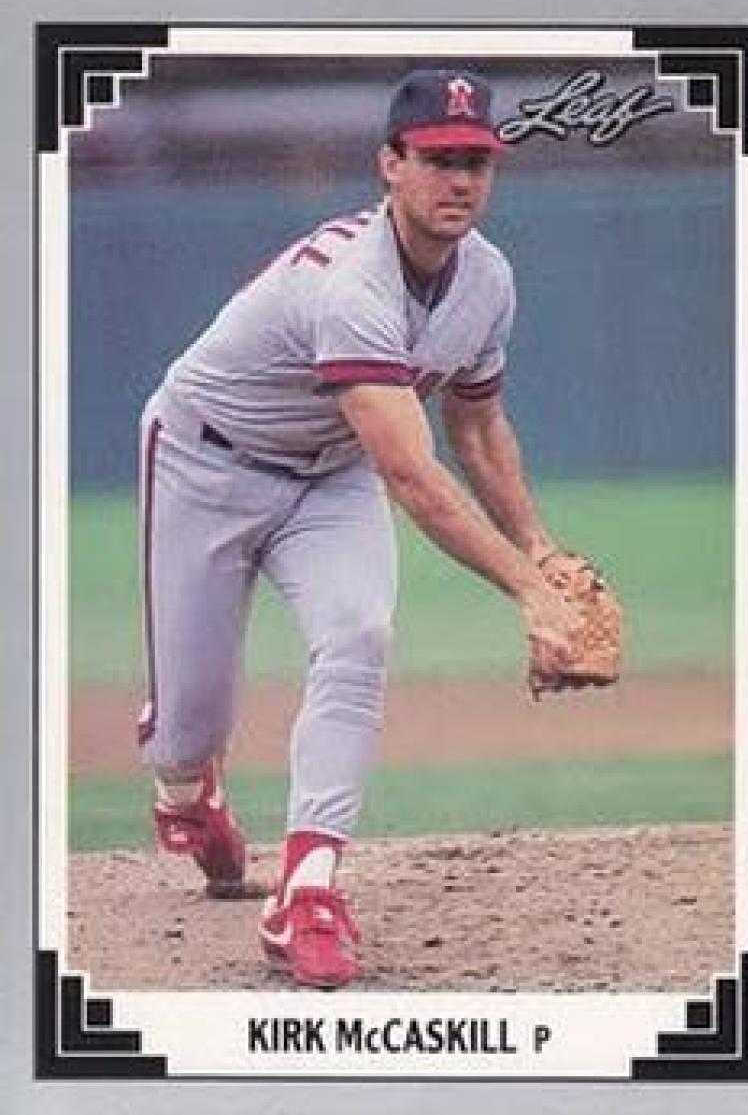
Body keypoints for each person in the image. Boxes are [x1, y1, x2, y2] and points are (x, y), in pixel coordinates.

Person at [137, 67, 580, 989]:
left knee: (359, 634)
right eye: (438, 159)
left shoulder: (487, 279)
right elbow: (417, 479)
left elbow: (476, 424)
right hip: (203, 462)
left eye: (477, 162)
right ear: (390, 164)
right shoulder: (351, 285)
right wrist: (531, 594)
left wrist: (540, 546)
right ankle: (189, 788)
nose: (461, 180)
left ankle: (308, 888)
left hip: (329, 477)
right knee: (189, 726)